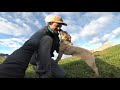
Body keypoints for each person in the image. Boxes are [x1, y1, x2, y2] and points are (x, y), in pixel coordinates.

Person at [0, 15, 67, 78]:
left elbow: (59, 50)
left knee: (61, 74)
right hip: (34, 57)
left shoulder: (56, 36)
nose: (58, 28)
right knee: (47, 39)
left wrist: (64, 43)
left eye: (60, 27)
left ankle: (38, 66)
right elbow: (28, 47)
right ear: (50, 23)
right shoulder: (42, 32)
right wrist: (9, 70)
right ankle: (42, 73)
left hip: (46, 58)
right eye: (57, 25)